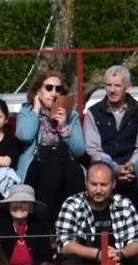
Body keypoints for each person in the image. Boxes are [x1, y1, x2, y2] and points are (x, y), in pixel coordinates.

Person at [52, 159, 138, 265]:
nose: (98, 190)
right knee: (69, 264)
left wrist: (120, 254)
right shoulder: (72, 204)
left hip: (118, 263)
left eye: (103, 185)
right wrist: (99, 255)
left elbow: (137, 241)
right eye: (94, 184)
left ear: (113, 184)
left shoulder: (124, 203)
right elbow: (64, 244)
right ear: (86, 183)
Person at [81, 65, 138, 224]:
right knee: (104, 164)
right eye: (108, 85)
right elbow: (93, 149)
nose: (112, 90)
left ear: (128, 87)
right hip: (106, 162)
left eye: (117, 85)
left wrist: (130, 164)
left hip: (132, 162)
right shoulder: (93, 112)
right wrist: (114, 167)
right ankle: (104, 217)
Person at [14, 70, 89, 208]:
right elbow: (25, 136)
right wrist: (36, 110)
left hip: (65, 161)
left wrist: (64, 127)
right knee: (53, 169)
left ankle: (77, 219)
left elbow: (79, 151)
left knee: (74, 171)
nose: (54, 93)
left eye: (58, 89)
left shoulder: (71, 115)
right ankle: (45, 222)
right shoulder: (27, 111)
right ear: (38, 91)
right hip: (38, 162)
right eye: (49, 88)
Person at [0, 182, 55, 265]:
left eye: (24, 202)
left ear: (31, 208)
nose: (18, 205)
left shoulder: (40, 226)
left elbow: (45, 257)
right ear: (9, 206)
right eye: (14, 202)